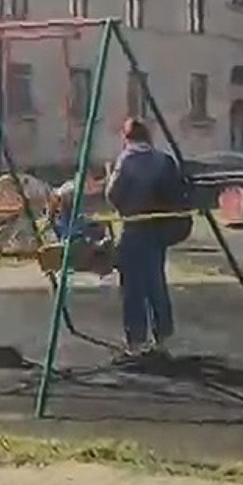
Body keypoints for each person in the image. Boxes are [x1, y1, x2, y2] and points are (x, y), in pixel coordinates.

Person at [104, 119, 187, 357]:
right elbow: (176, 193)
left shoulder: (126, 161)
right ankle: (163, 333)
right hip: (157, 229)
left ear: (127, 138)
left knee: (132, 286)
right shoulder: (164, 160)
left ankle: (136, 338)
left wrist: (124, 203)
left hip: (133, 228)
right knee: (155, 281)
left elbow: (113, 194)